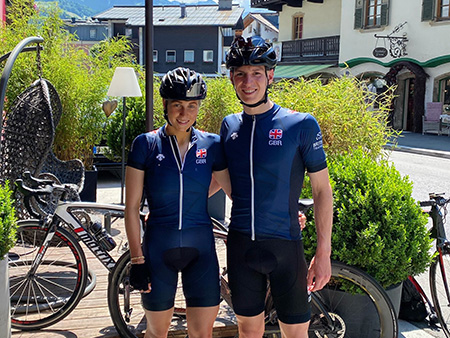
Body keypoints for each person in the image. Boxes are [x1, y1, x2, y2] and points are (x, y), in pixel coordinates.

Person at [220, 36, 334, 338]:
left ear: (270, 76)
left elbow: (322, 190)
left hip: (285, 246)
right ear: (232, 77)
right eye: (240, 74)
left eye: (256, 73)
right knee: (247, 331)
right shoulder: (229, 126)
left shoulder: (301, 125)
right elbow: (225, 181)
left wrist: (323, 253)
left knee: (295, 333)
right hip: (241, 246)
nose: (248, 82)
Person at [124, 67, 231, 338]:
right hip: (159, 248)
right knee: (157, 332)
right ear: (165, 105)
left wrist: (288, 214)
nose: (184, 114)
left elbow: (236, 192)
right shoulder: (145, 144)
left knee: (202, 334)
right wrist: (137, 260)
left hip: (202, 251)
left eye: (192, 106)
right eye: (177, 105)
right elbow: (132, 207)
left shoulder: (212, 144)